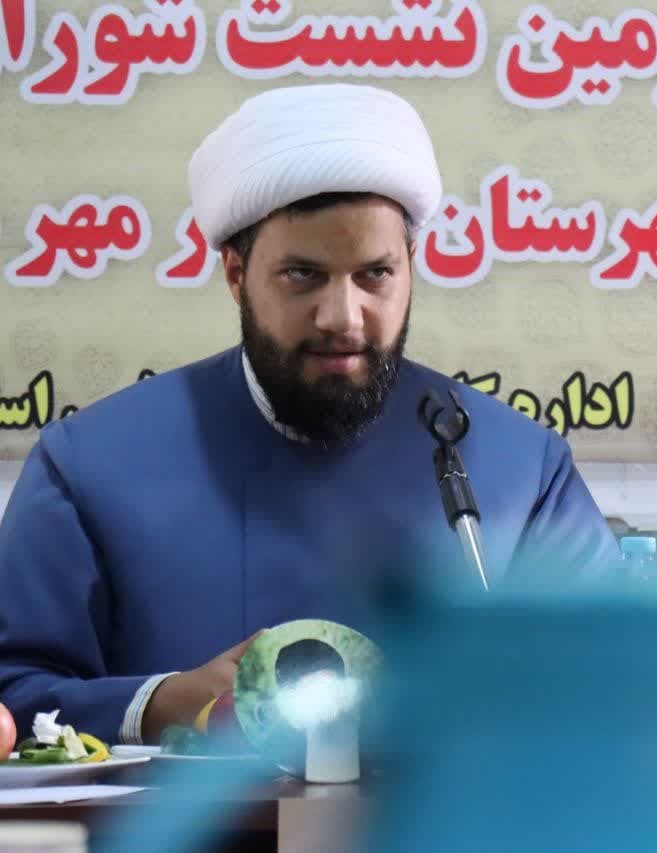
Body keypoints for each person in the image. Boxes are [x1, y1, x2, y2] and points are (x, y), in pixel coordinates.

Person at [0, 84, 619, 745]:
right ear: (236, 274)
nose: (342, 317)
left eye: (374, 275)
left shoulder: (518, 469)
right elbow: (13, 688)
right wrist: (159, 704)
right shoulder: (90, 466)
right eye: (303, 275)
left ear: (411, 266)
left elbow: (625, 682)